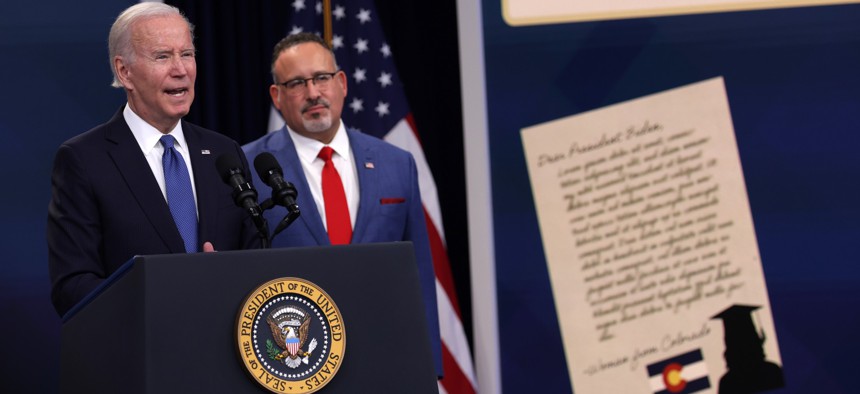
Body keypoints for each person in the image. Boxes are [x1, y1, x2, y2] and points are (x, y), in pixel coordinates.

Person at [242, 32, 443, 376]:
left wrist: (428, 368)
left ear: (342, 83)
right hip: (293, 364)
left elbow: (419, 273)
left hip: (384, 358)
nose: (313, 93)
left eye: (322, 78)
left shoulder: (396, 163)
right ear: (277, 95)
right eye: (297, 83)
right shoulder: (249, 166)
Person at [47, 2, 259, 317]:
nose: (181, 69)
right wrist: (162, 298)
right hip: (139, 354)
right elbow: (73, 285)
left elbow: (255, 256)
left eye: (187, 54)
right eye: (162, 56)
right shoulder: (84, 160)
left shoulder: (223, 152)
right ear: (124, 71)